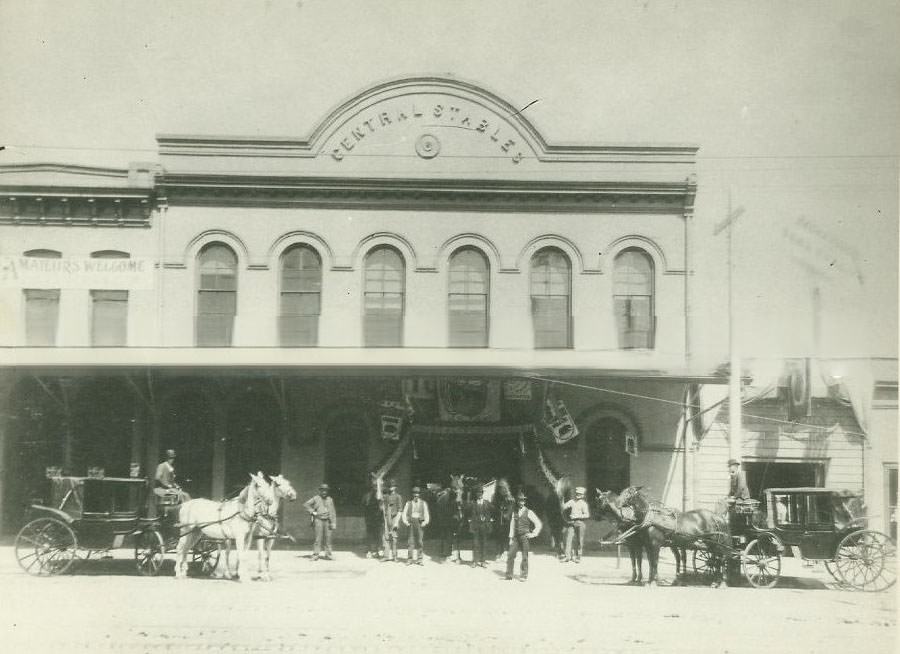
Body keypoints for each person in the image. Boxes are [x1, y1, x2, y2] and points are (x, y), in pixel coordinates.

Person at [505, 491, 542, 582]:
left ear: (525, 502)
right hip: (516, 538)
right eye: (519, 501)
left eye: (523, 501)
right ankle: (509, 574)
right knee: (510, 555)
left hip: (524, 537)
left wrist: (533, 534)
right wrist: (510, 538)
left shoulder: (529, 512)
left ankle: (523, 575)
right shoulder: (515, 512)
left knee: (524, 556)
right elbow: (512, 525)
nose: (521, 502)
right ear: (517, 501)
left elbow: (538, 524)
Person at [304, 483, 337, 561]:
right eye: (322, 490)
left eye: (326, 491)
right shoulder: (316, 498)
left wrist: (333, 522)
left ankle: (328, 555)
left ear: (327, 491)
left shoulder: (330, 499)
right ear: (320, 491)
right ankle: (316, 554)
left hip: (328, 521)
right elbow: (306, 504)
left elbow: (332, 511)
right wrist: (312, 512)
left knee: (328, 538)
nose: (324, 492)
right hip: (318, 520)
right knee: (318, 538)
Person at [400, 486, 430, 565]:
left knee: (420, 541)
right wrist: (406, 522)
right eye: (414, 493)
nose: (416, 495)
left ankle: (420, 559)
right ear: (412, 494)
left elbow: (426, 514)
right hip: (411, 523)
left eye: (417, 493)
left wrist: (425, 522)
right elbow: (404, 514)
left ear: (419, 494)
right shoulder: (408, 503)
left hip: (420, 523)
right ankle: (410, 559)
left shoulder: (423, 503)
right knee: (410, 541)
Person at [562, 486, 590, 563]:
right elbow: (563, 507)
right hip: (572, 523)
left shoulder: (584, 504)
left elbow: (587, 515)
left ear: (583, 496)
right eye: (577, 493)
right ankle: (567, 556)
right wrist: (562, 500)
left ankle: (578, 557)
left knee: (579, 540)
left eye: (580, 494)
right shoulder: (572, 501)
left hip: (580, 523)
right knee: (568, 539)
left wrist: (577, 516)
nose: (578, 495)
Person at [467, 485, 493, 567]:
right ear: (476, 494)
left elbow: (493, 511)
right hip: (475, 526)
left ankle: (483, 561)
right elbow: (467, 511)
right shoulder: (472, 503)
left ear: (483, 493)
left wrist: (489, 519)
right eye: (478, 493)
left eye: (481, 492)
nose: (480, 494)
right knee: (475, 544)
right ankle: (475, 561)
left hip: (484, 526)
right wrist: (470, 519)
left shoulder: (487, 502)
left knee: (484, 543)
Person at [382, 479, 404, 562]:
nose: (391, 488)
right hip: (387, 518)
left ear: (395, 487)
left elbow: (400, 510)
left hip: (394, 518)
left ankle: (395, 556)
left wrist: (396, 522)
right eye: (390, 486)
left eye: (393, 486)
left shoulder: (398, 497)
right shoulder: (386, 496)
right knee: (386, 537)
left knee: (394, 538)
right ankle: (386, 556)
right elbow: (383, 506)